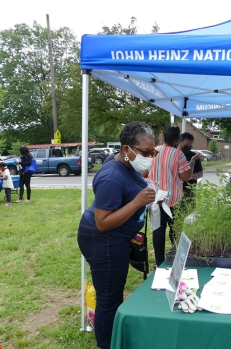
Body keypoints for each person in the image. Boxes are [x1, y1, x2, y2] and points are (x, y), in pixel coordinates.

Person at [77, 121, 157, 349]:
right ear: (126, 149)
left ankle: (114, 338)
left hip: (116, 239)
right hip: (104, 240)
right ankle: (107, 344)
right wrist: (137, 202)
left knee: (113, 293)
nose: (150, 156)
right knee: (108, 300)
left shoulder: (127, 164)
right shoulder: (111, 176)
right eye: (145, 152)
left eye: (153, 151)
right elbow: (103, 223)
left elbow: (137, 176)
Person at [148, 126, 202, 266]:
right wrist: (192, 162)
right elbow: (185, 177)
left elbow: (144, 172)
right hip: (173, 200)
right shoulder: (178, 154)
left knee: (158, 231)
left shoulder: (153, 151)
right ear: (175, 140)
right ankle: (177, 258)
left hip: (155, 199)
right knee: (175, 229)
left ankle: (159, 262)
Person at [169, 132, 204, 243]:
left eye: (190, 146)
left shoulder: (194, 156)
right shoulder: (173, 155)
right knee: (175, 219)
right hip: (175, 191)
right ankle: (175, 242)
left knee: (187, 215)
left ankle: (185, 241)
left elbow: (200, 174)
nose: (188, 148)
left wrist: (187, 176)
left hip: (189, 190)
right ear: (180, 142)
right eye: (186, 146)